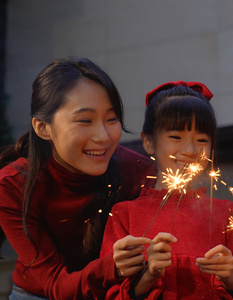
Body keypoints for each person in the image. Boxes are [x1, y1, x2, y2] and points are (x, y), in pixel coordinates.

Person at [0, 57, 156, 299]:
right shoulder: (13, 184)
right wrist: (111, 266)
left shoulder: (140, 171)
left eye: (111, 119)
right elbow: (55, 285)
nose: (103, 136)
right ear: (43, 128)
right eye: (85, 120)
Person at [100, 80, 233, 299]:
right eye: (176, 137)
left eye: (201, 139)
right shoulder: (124, 214)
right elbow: (109, 290)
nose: (189, 150)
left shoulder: (227, 213)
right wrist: (149, 274)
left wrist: (231, 276)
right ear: (148, 142)